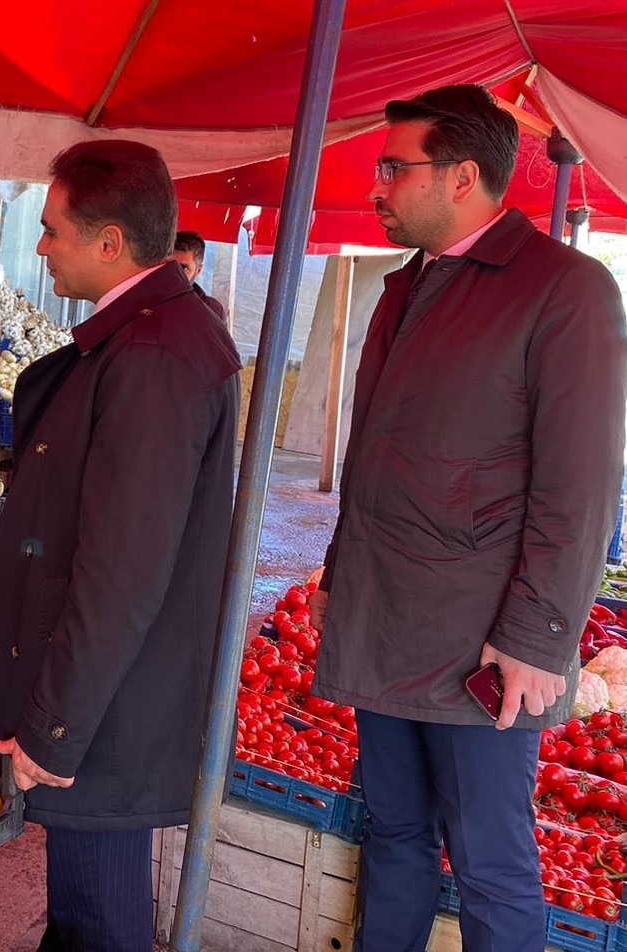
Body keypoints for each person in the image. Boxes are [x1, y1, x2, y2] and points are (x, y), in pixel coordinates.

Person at [307, 84, 627, 952]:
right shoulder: (403, 290)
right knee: (395, 837)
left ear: (463, 177)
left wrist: (538, 633)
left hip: (484, 645)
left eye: (392, 168)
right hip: (385, 622)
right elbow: (374, 458)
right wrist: (339, 580)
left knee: (490, 864)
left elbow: (583, 484)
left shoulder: (566, 290)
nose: (375, 187)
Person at [0, 140, 241, 950]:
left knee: (101, 913)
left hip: (107, 710)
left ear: (111, 243)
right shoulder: (154, 334)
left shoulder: (152, 356)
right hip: (109, 697)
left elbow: (123, 573)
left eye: (52, 230)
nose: (41, 246)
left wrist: (54, 726)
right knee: (85, 908)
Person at [172, 230, 227, 323]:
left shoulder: (212, 311)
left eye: (183, 268)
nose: (174, 273)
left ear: (198, 270)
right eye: (170, 265)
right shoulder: (147, 303)